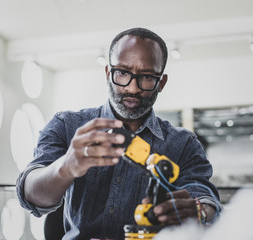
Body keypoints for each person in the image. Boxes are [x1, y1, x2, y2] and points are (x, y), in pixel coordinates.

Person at [16, 27, 222, 239]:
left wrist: (199, 212)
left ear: (161, 83)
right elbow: (31, 194)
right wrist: (66, 167)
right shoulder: (66, 125)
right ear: (108, 73)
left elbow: (205, 200)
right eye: (122, 73)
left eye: (147, 77)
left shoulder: (184, 144)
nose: (132, 88)